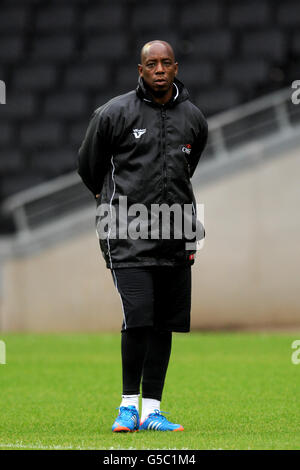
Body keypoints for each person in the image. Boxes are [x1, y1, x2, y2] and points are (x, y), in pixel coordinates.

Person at [78, 40, 208, 432]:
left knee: (164, 323)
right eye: (151, 63)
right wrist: (107, 201)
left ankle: (152, 410)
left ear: (176, 67)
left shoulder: (194, 118)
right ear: (140, 69)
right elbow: (88, 165)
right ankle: (126, 407)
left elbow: (190, 166)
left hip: (176, 232)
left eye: (166, 63)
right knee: (139, 317)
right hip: (126, 232)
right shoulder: (113, 113)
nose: (159, 69)